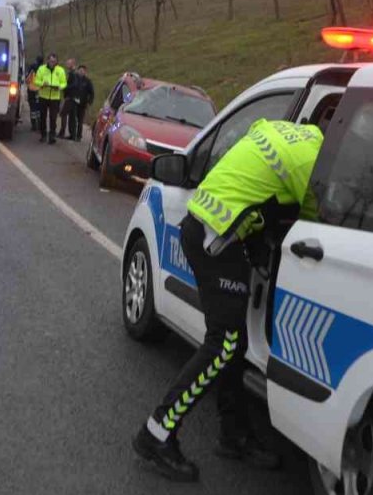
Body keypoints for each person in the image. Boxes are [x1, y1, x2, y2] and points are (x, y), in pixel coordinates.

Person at [133, 119, 324, 483]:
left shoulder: (284, 130)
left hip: (205, 227)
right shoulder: (308, 162)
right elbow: (320, 223)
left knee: (232, 344)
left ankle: (234, 434)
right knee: (224, 343)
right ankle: (156, 433)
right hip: (216, 241)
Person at [34, 54, 67, 144]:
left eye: (54, 61)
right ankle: (43, 135)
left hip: (55, 97)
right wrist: (42, 84)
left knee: (53, 117)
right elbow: (36, 81)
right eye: (51, 61)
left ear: (56, 61)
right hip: (43, 96)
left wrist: (59, 87)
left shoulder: (60, 70)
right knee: (43, 117)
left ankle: (52, 135)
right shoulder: (42, 69)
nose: (52, 63)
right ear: (47, 60)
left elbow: (64, 83)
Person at [70, 65, 95, 141]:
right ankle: (73, 135)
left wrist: (89, 102)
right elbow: (69, 87)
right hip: (74, 101)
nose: (81, 72)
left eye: (83, 71)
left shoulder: (88, 81)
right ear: (78, 71)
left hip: (83, 103)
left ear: (85, 72)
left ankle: (79, 136)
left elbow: (92, 93)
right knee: (73, 119)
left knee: (80, 120)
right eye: (80, 70)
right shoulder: (74, 79)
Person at [59, 58, 79, 142]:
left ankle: (62, 132)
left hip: (70, 97)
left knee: (63, 114)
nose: (67, 64)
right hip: (72, 97)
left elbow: (74, 85)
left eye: (68, 63)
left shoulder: (73, 74)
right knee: (71, 116)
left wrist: (65, 87)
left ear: (72, 64)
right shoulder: (72, 73)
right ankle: (73, 135)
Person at [25, 55, 43, 133]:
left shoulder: (32, 68)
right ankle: (39, 125)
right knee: (39, 108)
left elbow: (27, 80)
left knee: (33, 109)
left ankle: (34, 126)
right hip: (40, 91)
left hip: (32, 90)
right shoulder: (43, 69)